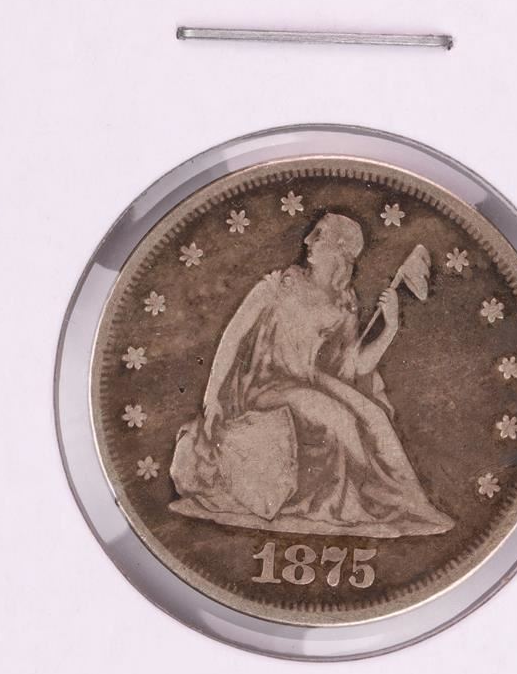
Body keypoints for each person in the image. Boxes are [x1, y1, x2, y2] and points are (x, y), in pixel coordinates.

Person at [169, 212, 454, 538]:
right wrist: (211, 398)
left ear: (341, 248)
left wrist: (390, 327)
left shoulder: (344, 303)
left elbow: (355, 367)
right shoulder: (278, 286)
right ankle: (376, 498)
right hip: (265, 386)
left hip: (310, 380)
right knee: (338, 417)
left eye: (319, 234)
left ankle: (410, 501)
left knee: (374, 416)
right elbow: (232, 338)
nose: (307, 240)